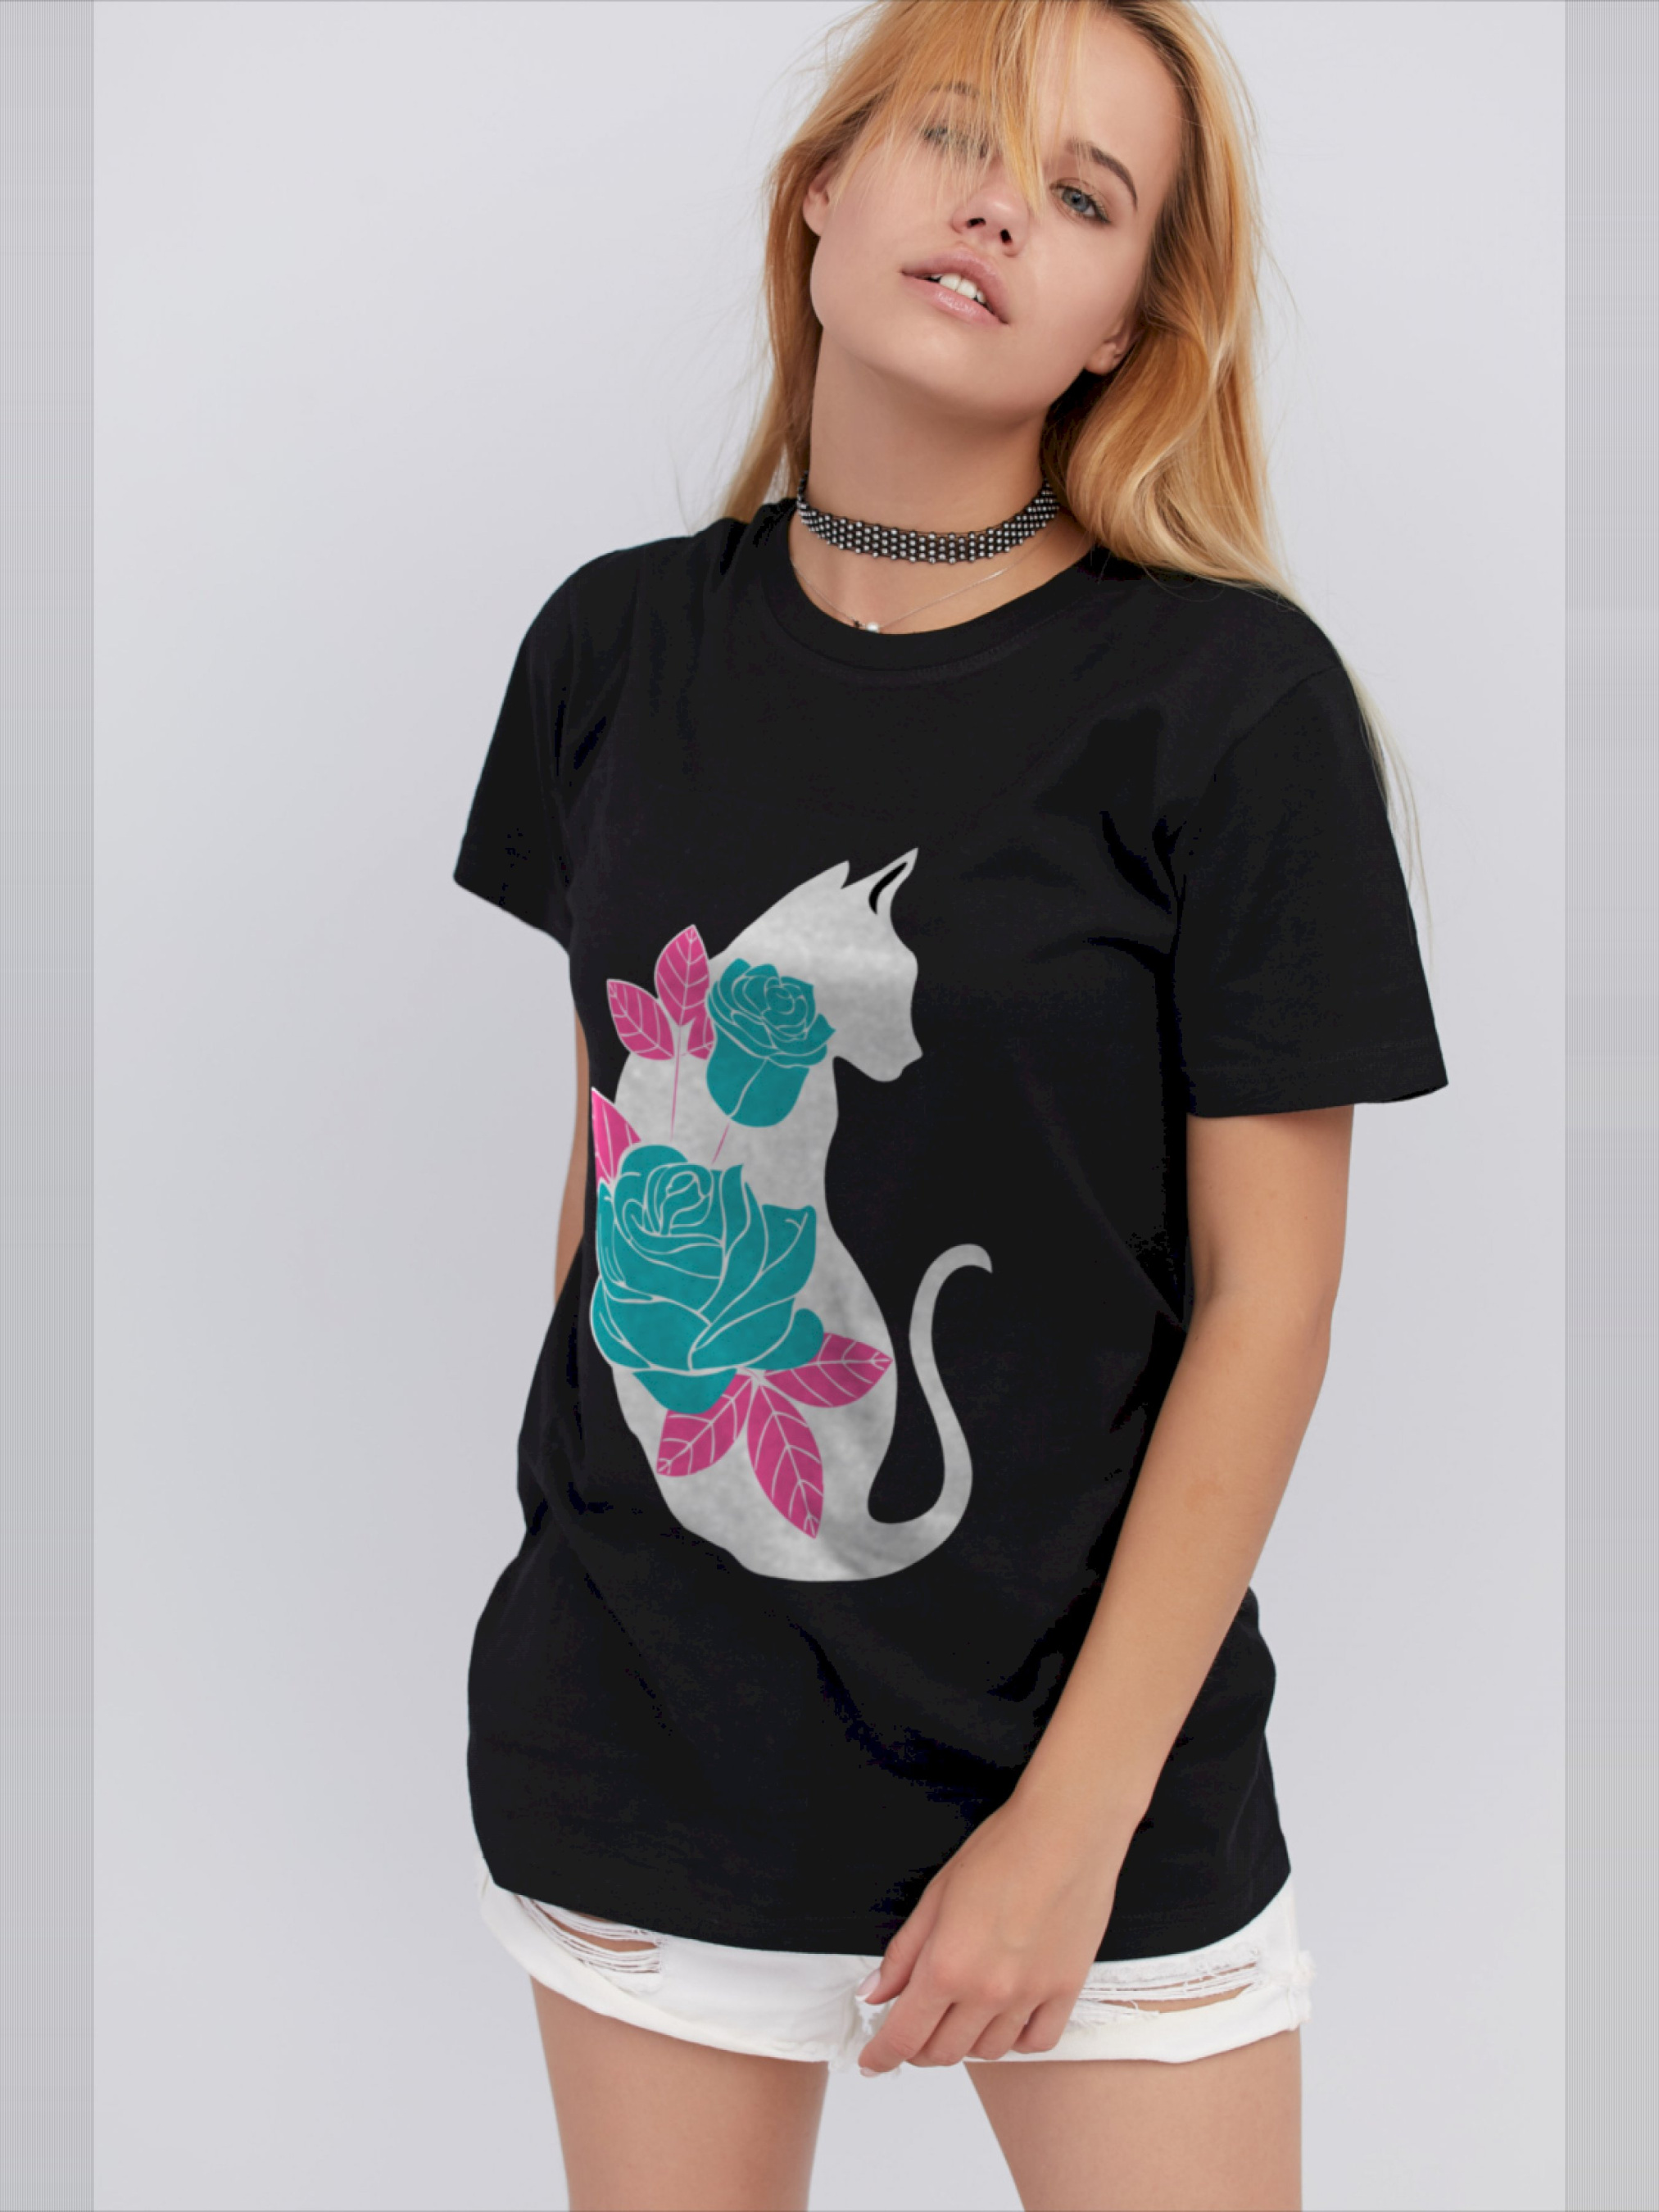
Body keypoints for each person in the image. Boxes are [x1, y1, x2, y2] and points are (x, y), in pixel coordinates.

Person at [451, 2, 1447, 2205]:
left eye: (1082, 196)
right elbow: (612, 1151)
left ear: (1120, 327)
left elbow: (1269, 1307)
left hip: (1086, 1778)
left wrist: (1070, 1828)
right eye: (956, 137)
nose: (1001, 206)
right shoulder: (611, 651)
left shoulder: (1227, 704)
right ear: (824, 188)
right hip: (643, 1744)